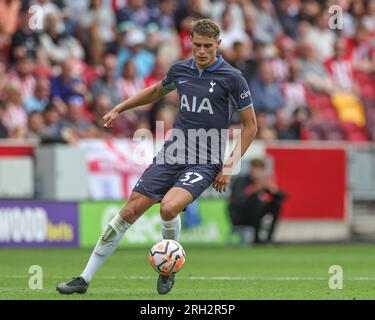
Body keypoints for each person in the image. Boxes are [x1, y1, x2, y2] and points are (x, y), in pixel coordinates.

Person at [57, 19, 257, 295]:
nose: (201, 51)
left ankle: (168, 268)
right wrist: (121, 107)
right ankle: (83, 279)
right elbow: (154, 91)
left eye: (207, 46)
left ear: (218, 45)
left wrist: (229, 166)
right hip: (173, 152)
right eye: (197, 45)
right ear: (190, 42)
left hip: (205, 158)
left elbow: (251, 126)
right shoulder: (180, 70)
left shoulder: (232, 78)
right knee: (128, 212)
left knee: (168, 208)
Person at [228, 158, 286, 245]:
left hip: (257, 215)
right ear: (251, 169)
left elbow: (283, 197)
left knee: (276, 204)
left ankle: (269, 238)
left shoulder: (263, 182)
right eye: (256, 169)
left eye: (260, 170)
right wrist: (255, 188)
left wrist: (273, 189)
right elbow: (239, 200)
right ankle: (256, 239)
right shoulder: (241, 181)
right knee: (258, 203)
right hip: (240, 215)